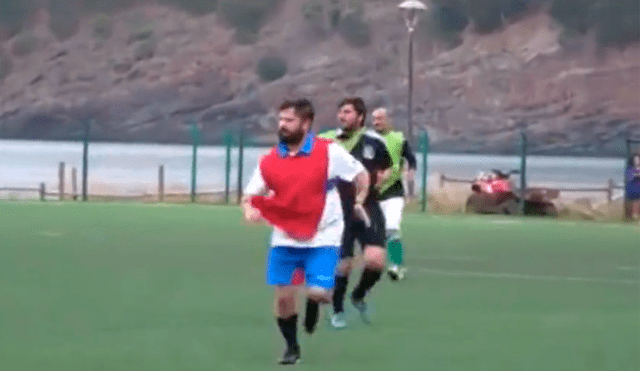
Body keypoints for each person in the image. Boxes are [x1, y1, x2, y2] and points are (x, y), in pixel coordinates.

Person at [241, 98, 370, 365]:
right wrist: (249, 210)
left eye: (289, 120)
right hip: (286, 234)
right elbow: (250, 195)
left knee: (318, 293)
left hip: (324, 233)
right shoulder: (270, 160)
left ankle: (314, 303)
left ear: (306, 123)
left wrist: (359, 201)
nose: (283, 125)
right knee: (285, 299)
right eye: (281, 120)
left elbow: (360, 174)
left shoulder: (328, 151)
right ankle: (292, 347)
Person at [315, 97, 393, 329]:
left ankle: (359, 294)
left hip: (367, 206)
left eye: (348, 112)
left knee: (375, 261)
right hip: (337, 209)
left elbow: (387, 166)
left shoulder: (374, 141)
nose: (342, 116)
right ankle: (337, 310)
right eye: (340, 112)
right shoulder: (326, 140)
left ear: (360, 116)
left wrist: (380, 180)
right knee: (343, 264)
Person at [371, 108, 417, 281]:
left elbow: (410, 158)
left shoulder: (398, 138)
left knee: (392, 228)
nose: (377, 122)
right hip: (373, 193)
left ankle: (396, 266)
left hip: (393, 192)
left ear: (388, 119)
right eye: (374, 119)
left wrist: (411, 171)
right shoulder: (367, 140)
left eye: (380, 118)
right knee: (372, 232)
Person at [625, 154, 640, 221]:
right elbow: (631, 176)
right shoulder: (631, 169)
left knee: (636, 201)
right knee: (635, 200)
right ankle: (634, 215)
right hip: (633, 188)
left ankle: (634, 215)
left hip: (634, 187)